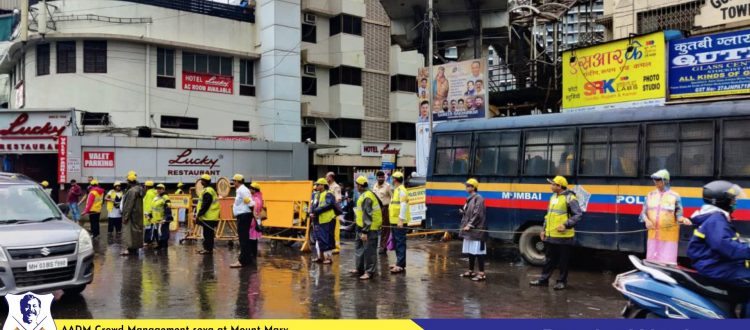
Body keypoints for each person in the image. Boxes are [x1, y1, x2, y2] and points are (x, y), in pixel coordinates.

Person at [688, 180, 750, 317]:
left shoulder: (716, 218)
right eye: (732, 199)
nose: (734, 202)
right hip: (714, 266)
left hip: (717, 263)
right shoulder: (716, 220)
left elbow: (728, 241)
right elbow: (726, 247)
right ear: (720, 201)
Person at [530, 176, 583, 290]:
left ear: (559, 186)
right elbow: (548, 215)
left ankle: (561, 282)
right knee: (549, 259)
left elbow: (578, 215)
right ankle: (543, 280)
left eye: (553, 184)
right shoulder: (553, 197)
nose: (551, 186)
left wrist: (566, 225)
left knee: (563, 261)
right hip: (551, 235)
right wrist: (543, 230)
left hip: (564, 236)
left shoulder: (570, 198)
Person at [640, 169, 691, 265]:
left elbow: (679, 216)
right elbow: (643, 213)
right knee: (652, 263)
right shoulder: (650, 195)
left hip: (669, 239)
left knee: (667, 265)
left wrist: (684, 219)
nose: (655, 182)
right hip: (653, 238)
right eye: (654, 180)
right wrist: (647, 221)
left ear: (665, 181)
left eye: (658, 180)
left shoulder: (675, 196)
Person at [350, 175, 383, 280]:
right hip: (361, 226)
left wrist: (365, 231)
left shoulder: (367, 196)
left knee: (369, 251)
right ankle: (359, 269)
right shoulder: (364, 195)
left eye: (357, 185)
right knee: (359, 248)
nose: (356, 187)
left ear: (360, 185)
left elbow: (367, 215)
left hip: (369, 228)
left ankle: (369, 272)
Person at [459, 178, 488, 281]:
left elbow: (478, 214)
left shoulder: (478, 198)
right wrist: (463, 212)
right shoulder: (469, 198)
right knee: (470, 251)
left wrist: (470, 225)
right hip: (470, 231)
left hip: (477, 231)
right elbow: (470, 212)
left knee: (479, 252)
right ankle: (471, 271)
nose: (466, 187)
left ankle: (481, 273)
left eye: (468, 186)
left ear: (473, 187)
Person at [230, 174, 255, 268]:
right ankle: (247, 259)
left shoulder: (242, 190)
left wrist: (253, 212)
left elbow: (249, 202)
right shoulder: (241, 190)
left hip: (244, 216)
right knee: (244, 238)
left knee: (243, 239)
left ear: (237, 181)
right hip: (244, 216)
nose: (233, 182)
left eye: (234, 181)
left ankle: (242, 261)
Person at [388, 171, 410, 274]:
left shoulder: (402, 190)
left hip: (399, 221)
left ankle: (400, 265)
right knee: (397, 242)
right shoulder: (397, 190)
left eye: (393, 179)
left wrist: (401, 220)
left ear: (395, 180)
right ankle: (398, 262)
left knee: (400, 242)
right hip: (394, 220)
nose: (392, 180)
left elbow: (403, 205)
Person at [311, 178, 336, 264]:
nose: (316, 186)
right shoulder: (316, 194)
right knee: (318, 238)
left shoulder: (328, 194)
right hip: (318, 220)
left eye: (318, 184)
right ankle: (320, 257)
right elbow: (313, 205)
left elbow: (328, 205)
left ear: (322, 185)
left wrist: (316, 211)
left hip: (327, 220)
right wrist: (311, 213)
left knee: (326, 239)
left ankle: (328, 258)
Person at [121, 171, 145, 256]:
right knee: (137, 231)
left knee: (128, 232)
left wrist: (125, 217)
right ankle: (135, 247)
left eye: (127, 180)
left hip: (131, 215)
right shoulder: (140, 189)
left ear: (129, 181)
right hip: (138, 214)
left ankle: (127, 249)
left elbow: (128, 205)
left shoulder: (132, 191)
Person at [196, 174, 221, 255]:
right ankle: (207, 248)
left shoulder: (208, 191)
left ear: (205, 181)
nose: (201, 181)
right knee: (207, 234)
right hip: (209, 216)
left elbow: (205, 204)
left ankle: (208, 250)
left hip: (209, 217)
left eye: (202, 180)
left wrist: (199, 214)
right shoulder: (208, 190)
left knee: (208, 234)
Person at [372, 171, 392, 255]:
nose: (381, 178)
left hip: (385, 209)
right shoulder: (375, 186)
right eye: (379, 177)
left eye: (382, 177)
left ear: (384, 177)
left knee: (385, 228)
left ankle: (383, 247)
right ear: (376, 178)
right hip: (376, 209)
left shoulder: (388, 186)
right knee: (375, 227)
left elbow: (393, 197)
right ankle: (375, 245)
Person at [326, 172, 343, 253]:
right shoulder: (328, 186)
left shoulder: (336, 187)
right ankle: (331, 246)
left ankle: (336, 247)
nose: (326, 178)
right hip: (329, 212)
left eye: (327, 177)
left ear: (331, 178)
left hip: (334, 211)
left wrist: (331, 205)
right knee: (330, 230)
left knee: (335, 230)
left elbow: (338, 199)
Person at [249, 182, 264, 258]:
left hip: (253, 220)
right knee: (254, 239)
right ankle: (253, 254)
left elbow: (254, 211)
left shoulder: (255, 199)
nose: (249, 190)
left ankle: (252, 254)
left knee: (252, 239)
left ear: (254, 190)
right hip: (257, 220)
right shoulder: (260, 197)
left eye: (250, 188)